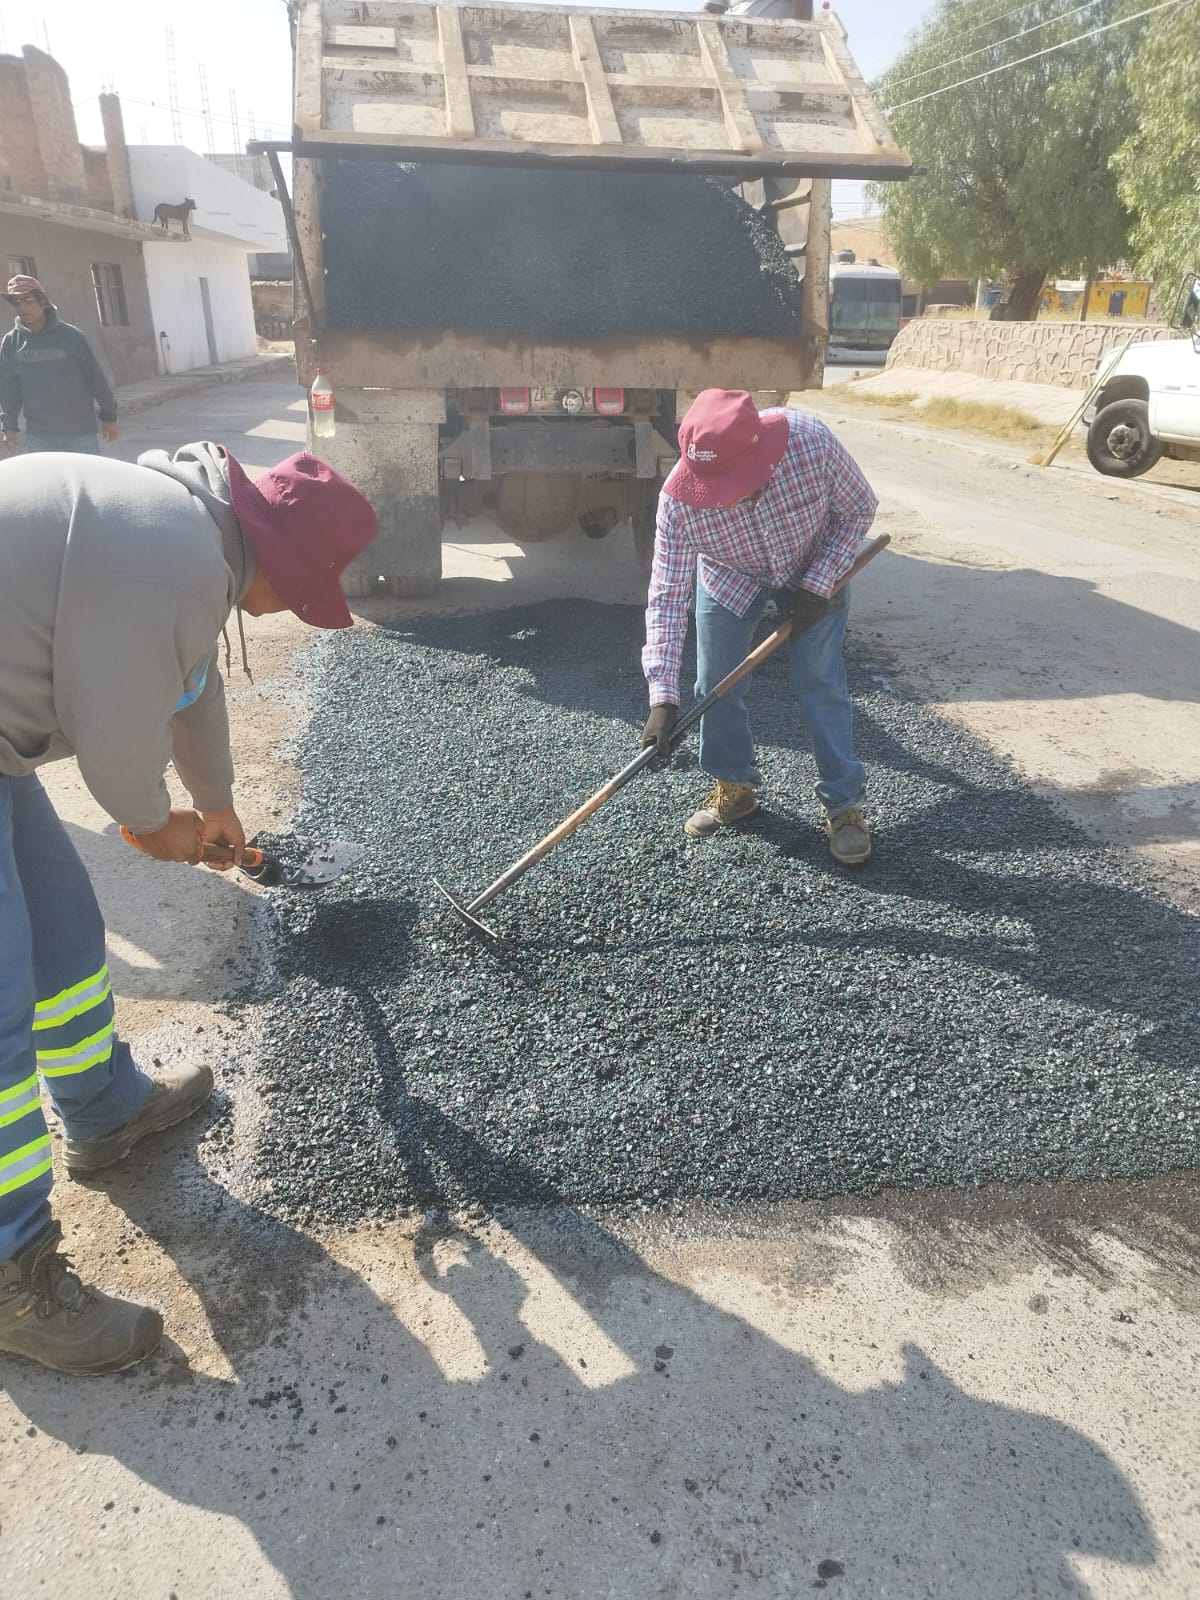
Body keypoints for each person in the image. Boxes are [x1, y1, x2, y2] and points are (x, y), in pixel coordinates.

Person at [0, 444, 378, 1375]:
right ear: (282, 560)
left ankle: (102, 1109)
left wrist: (214, 803)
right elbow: (115, 734)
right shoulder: (168, 552)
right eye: (309, 590)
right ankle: (13, 1274)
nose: (299, 608)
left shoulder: (191, 536)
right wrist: (151, 822)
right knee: (1, 994)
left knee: (61, 933)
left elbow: (190, 682)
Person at [640, 388, 878, 862]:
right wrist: (662, 698)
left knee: (820, 681)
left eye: (736, 484)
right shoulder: (678, 503)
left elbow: (858, 509)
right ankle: (735, 787)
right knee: (715, 683)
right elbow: (666, 596)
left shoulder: (810, 442)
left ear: (762, 454)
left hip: (816, 565)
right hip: (731, 574)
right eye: (715, 489)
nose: (727, 501)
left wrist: (818, 583)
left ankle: (844, 805)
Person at [0, 275, 119, 455]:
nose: (22, 307)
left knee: (84, 474)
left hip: (80, 433)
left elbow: (96, 379)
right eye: (17, 302)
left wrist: (109, 417)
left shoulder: (72, 337)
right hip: (40, 436)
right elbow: (8, 389)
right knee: (46, 475)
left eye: (28, 300)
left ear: (42, 301)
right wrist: (9, 427)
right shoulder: (11, 343)